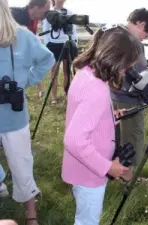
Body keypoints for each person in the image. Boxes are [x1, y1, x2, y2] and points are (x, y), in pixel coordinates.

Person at [61, 25, 141, 225]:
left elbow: (83, 114)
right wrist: (107, 167)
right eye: (126, 66)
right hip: (90, 173)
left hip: (82, 169)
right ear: (115, 60)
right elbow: (74, 140)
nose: (126, 71)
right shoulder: (96, 88)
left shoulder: (86, 73)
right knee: (87, 221)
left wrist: (109, 115)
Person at [0, 0, 55, 224]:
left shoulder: (23, 36)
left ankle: (31, 213)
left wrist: (25, 81)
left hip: (14, 118)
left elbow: (47, 59)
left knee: (22, 164)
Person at [111, 8, 148, 175]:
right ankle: (128, 178)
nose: (145, 38)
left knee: (114, 138)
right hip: (128, 99)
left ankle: (114, 172)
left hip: (111, 96)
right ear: (141, 24)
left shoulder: (114, 34)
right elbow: (138, 76)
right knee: (132, 140)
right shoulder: (133, 43)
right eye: (147, 34)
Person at [10, 0, 51, 99]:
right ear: (36, 8)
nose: (46, 16)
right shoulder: (13, 15)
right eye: (46, 11)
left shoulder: (33, 19)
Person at [42, 0, 78, 104]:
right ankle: (54, 97)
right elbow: (46, 30)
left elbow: (74, 30)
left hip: (67, 42)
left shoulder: (69, 12)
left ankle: (66, 93)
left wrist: (75, 43)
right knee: (54, 72)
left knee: (67, 71)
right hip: (53, 44)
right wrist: (47, 45)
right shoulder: (49, 13)